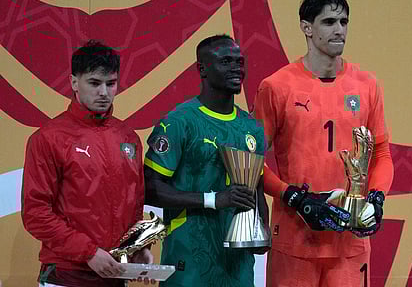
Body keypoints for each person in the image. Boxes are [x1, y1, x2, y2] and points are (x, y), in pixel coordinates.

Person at [253, 0, 394, 287]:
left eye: (344, 21)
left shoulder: (367, 85)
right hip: (295, 240)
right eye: (329, 22)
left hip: (350, 245)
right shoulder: (277, 86)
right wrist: (294, 197)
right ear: (307, 27)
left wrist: (376, 198)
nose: (339, 30)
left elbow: (381, 153)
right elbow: (250, 162)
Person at [22, 40, 153, 287]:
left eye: (111, 83)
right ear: (74, 83)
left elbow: (134, 207)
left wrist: (138, 246)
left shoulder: (129, 138)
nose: (104, 92)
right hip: (66, 276)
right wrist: (89, 252)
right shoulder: (48, 139)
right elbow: (36, 214)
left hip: (115, 276)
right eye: (94, 83)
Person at [143, 34, 269, 287]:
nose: (236, 68)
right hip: (188, 263)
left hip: (238, 268)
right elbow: (150, 189)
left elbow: (257, 190)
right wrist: (214, 200)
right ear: (202, 68)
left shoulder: (251, 128)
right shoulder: (179, 122)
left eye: (240, 62)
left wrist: (261, 231)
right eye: (226, 61)